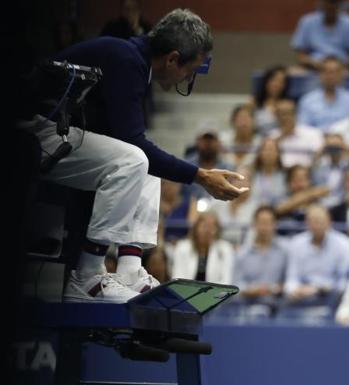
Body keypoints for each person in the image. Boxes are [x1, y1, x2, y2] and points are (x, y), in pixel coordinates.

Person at [23, 9, 247, 303]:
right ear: (172, 59)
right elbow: (132, 144)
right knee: (135, 159)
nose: (189, 78)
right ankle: (88, 277)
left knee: (143, 163)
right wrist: (201, 176)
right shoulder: (126, 60)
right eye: (190, 71)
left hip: (56, 133)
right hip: (30, 133)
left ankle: (130, 269)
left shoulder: (133, 60)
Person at [169, 211, 235, 284]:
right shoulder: (182, 247)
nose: (208, 230)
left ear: (217, 230)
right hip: (186, 293)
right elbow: (177, 277)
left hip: (215, 294)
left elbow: (226, 281)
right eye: (204, 226)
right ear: (196, 228)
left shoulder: (225, 249)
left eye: (212, 227)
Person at [291, 0, 349, 70]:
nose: (331, 6)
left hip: (343, 68)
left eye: (334, 3)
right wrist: (314, 63)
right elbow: (301, 55)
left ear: (340, 5)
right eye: (328, 3)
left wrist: (338, 67)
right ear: (322, 4)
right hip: (312, 67)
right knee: (292, 72)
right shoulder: (307, 22)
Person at [297, 57, 349, 131]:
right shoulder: (307, 100)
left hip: (345, 140)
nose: (331, 76)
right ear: (320, 75)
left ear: (341, 75)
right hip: (316, 140)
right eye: (327, 72)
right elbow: (303, 129)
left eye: (335, 72)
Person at [252, 65, 289, 135]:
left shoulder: (288, 105)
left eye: (281, 81)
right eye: (273, 80)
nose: (276, 84)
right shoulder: (254, 102)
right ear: (266, 81)